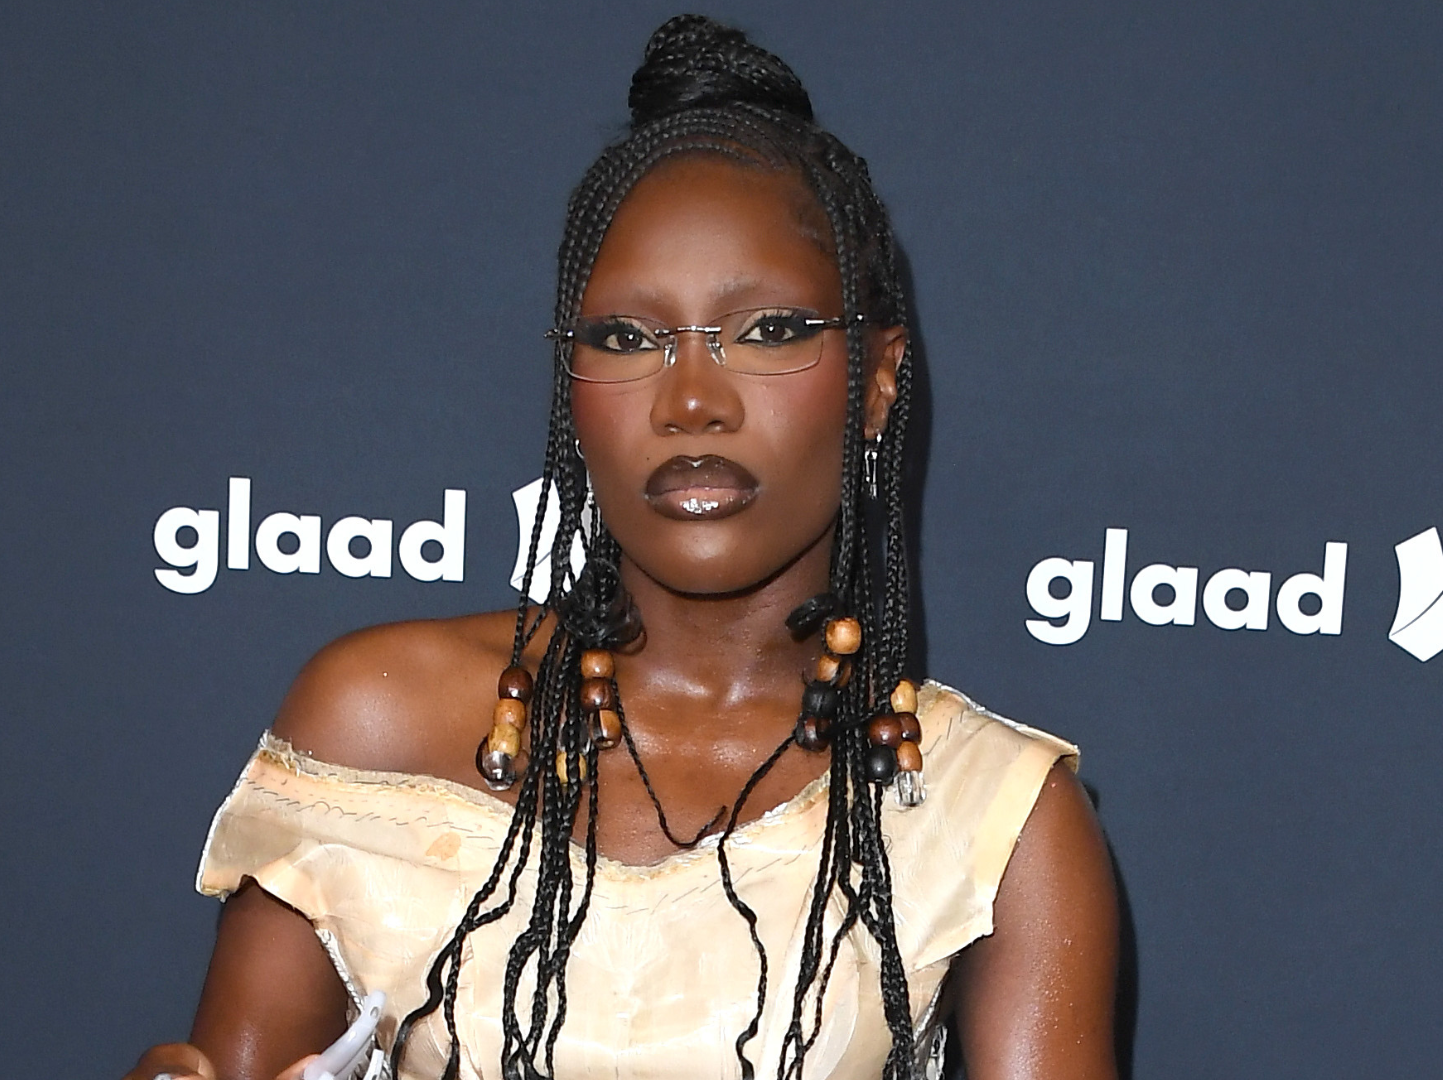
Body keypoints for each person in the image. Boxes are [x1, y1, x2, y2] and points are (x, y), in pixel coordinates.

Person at [128, 15, 1118, 1080]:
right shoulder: (374, 720)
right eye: (628, 338)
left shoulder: (992, 816)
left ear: (877, 378)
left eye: (768, 331)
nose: (692, 399)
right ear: (573, 384)